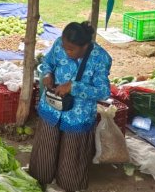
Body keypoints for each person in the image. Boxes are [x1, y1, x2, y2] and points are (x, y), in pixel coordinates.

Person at [28, 22, 112, 192]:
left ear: (85, 46)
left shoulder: (100, 58)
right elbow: (47, 62)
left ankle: (68, 183)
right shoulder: (60, 44)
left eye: (72, 49)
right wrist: (47, 74)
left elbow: (103, 92)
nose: (67, 51)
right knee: (46, 147)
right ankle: (41, 178)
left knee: (71, 157)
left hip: (78, 116)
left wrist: (74, 87)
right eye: (65, 47)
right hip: (52, 108)